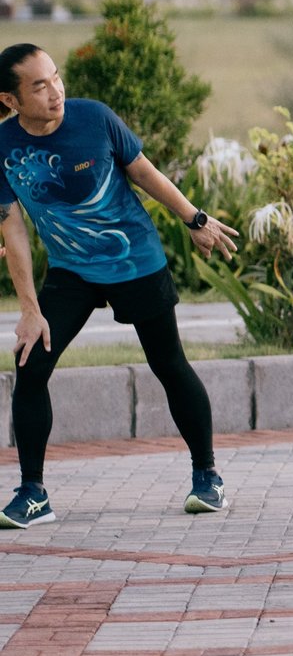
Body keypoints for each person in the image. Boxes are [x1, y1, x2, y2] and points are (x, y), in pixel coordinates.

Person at [0, 43, 241, 529]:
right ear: (10, 99)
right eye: (39, 86)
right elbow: (13, 228)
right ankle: (33, 493)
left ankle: (207, 475)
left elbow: (144, 172)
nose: (56, 92)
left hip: (135, 260)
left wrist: (194, 219)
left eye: (56, 77)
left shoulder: (94, 118)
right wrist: (29, 309)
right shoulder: (3, 146)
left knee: (168, 364)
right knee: (30, 364)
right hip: (71, 270)